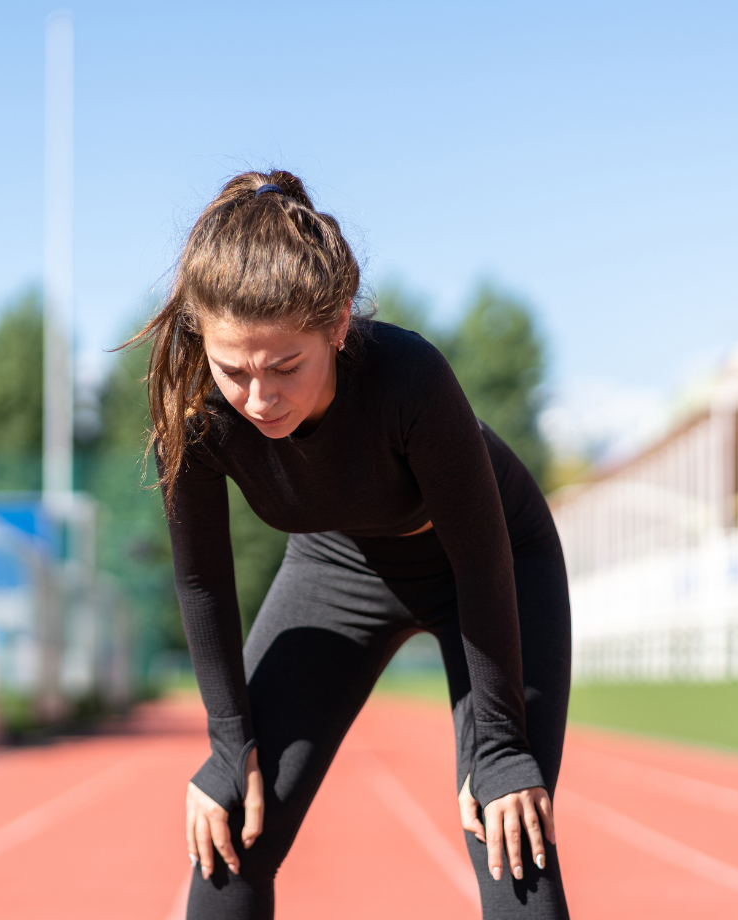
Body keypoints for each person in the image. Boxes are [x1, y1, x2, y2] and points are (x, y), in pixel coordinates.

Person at [129, 170, 571, 919]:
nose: (260, 399)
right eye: (235, 369)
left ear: (337, 325)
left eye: (286, 367)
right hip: (336, 561)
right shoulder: (195, 406)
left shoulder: (409, 379)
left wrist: (498, 749)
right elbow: (203, 580)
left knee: (508, 832)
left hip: (489, 565)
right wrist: (228, 746)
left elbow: (482, 557)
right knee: (231, 831)